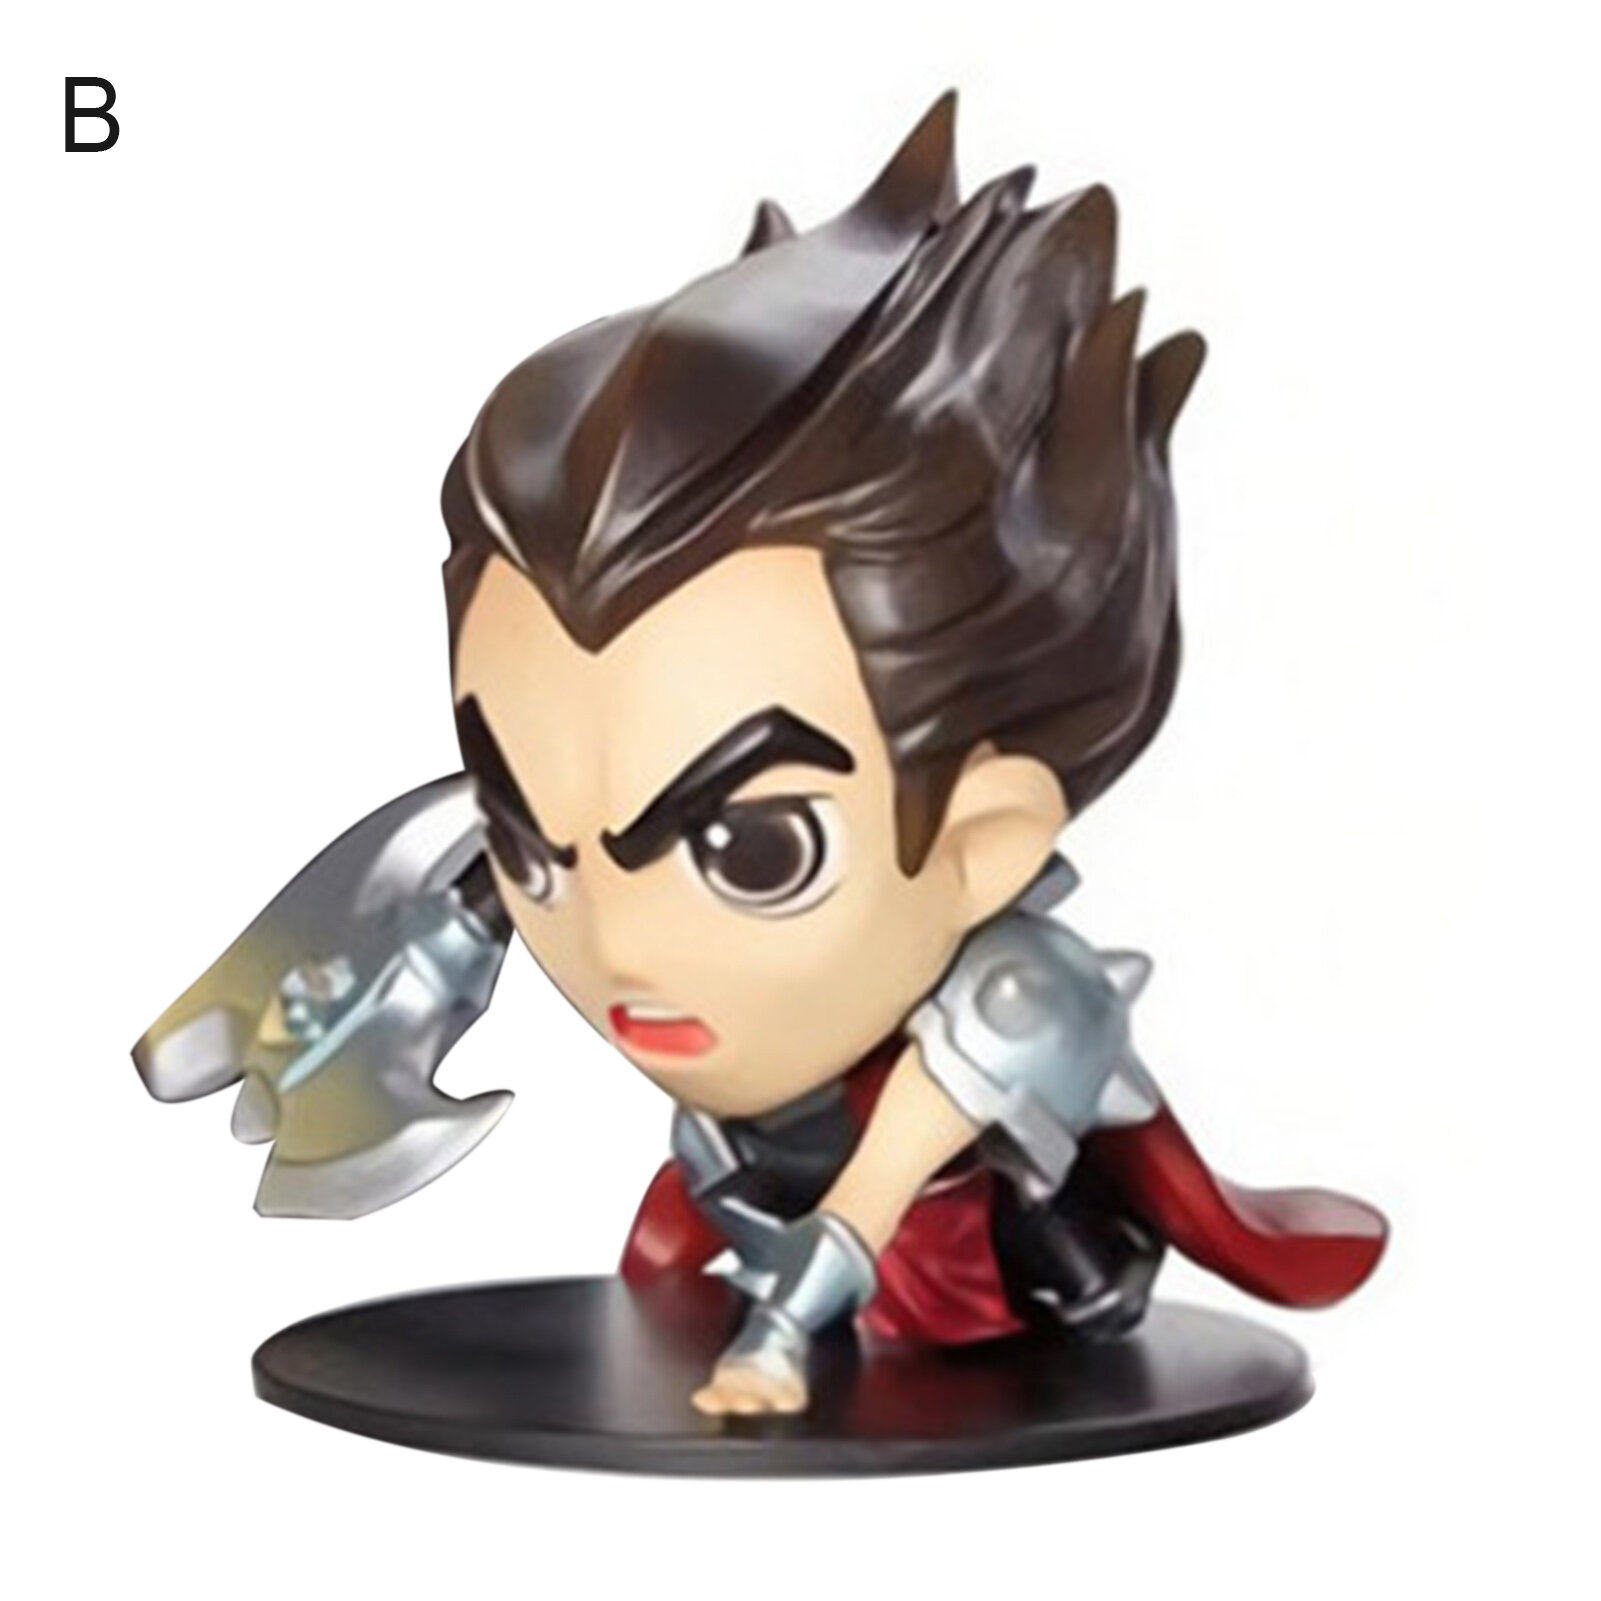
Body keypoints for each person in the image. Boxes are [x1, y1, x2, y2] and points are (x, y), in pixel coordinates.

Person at [441, 93, 1387, 1417]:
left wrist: (773, 1345)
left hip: (951, 1283)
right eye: (529, 840)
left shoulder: (1008, 1003)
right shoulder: (694, 1030)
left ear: (982, 842)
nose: (615, 940)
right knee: (665, 1242)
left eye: (752, 849)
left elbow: (867, 1204)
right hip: (740, 1196)